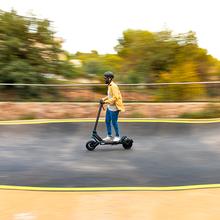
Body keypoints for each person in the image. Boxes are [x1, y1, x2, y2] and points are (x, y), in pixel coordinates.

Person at [100, 71, 125, 142]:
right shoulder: (109, 85)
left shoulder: (114, 86)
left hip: (114, 108)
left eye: (105, 78)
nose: (104, 79)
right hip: (109, 107)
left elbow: (115, 98)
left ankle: (117, 136)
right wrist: (103, 99)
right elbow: (109, 96)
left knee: (114, 122)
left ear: (110, 78)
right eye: (104, 78)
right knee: (107, 121)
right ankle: (109, 135)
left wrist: (105, 102)